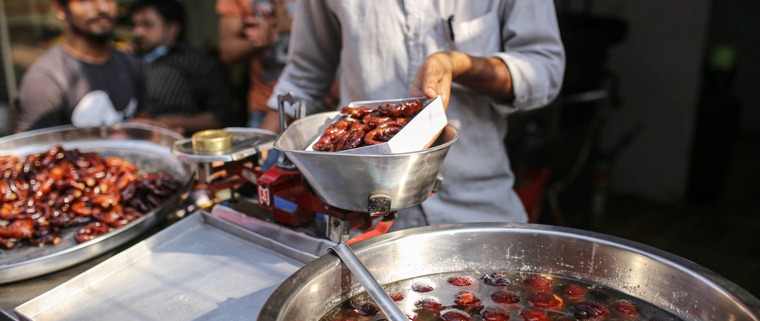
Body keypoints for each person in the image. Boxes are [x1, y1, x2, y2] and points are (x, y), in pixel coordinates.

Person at [260, 1, 566, 229]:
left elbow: (544, 69)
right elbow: (305, 74)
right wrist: (260, 151)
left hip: (475, 206)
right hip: (360, 212)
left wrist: (460, 65)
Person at [15, 0, 145, 132]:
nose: (103, 7)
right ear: (61, 8)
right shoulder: (45, 79)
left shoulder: (130, 63)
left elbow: (143, 118)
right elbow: (33, 149)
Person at [129, 0, 235, 135]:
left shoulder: (197, 63)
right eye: (135, 24)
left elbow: (221, 116)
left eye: (147, 25)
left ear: (172, 29)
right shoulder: (131, 60)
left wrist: (169, 122)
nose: (138, 32)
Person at [215, 0, 293, 128]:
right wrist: (260, 39)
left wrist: (291, 26)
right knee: (262, 146)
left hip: (325, 99)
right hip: (266, 106)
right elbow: (226, 52)